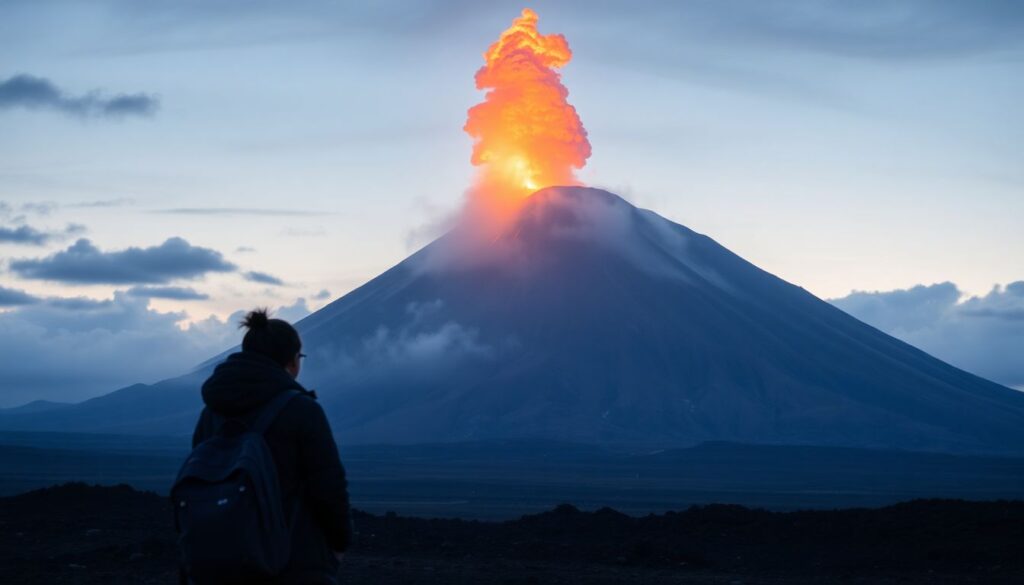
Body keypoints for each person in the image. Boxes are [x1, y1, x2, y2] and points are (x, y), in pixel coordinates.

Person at [189, 308, 353, 583]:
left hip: (220, 557)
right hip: (293, 559)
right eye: (299, 357)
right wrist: (339, 543)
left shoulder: (211, 413)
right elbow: (328, 485)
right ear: (291, 361)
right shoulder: (301, 410)